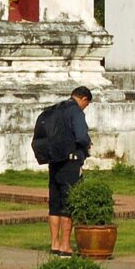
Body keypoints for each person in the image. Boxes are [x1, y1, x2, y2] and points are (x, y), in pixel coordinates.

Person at [46, 85, 92, 255]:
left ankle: (54, 244)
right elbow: (80, 135)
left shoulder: (57, 109)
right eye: (86, 105)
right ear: (84, 99)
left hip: (54, 160)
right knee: (68, 203)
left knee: (55, 203)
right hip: (70, 162)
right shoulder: (76, 112)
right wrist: (87, 143)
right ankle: (65, 245)